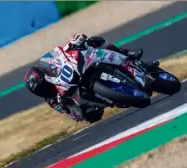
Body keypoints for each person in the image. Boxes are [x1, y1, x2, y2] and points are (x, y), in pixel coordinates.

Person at [24, 33, 157, 122]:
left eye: (44, 87)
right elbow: (75, 116)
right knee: (90, 116)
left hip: (79, 70)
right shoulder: (52, 101)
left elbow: (61, 52)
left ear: (45, 75)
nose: (45, 91)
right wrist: (69, 106)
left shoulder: (51, 63)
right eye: (41, 91)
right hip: (84, 96)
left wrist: (73, 43)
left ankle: (126, 53)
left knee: (92, 43)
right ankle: (115, 97)